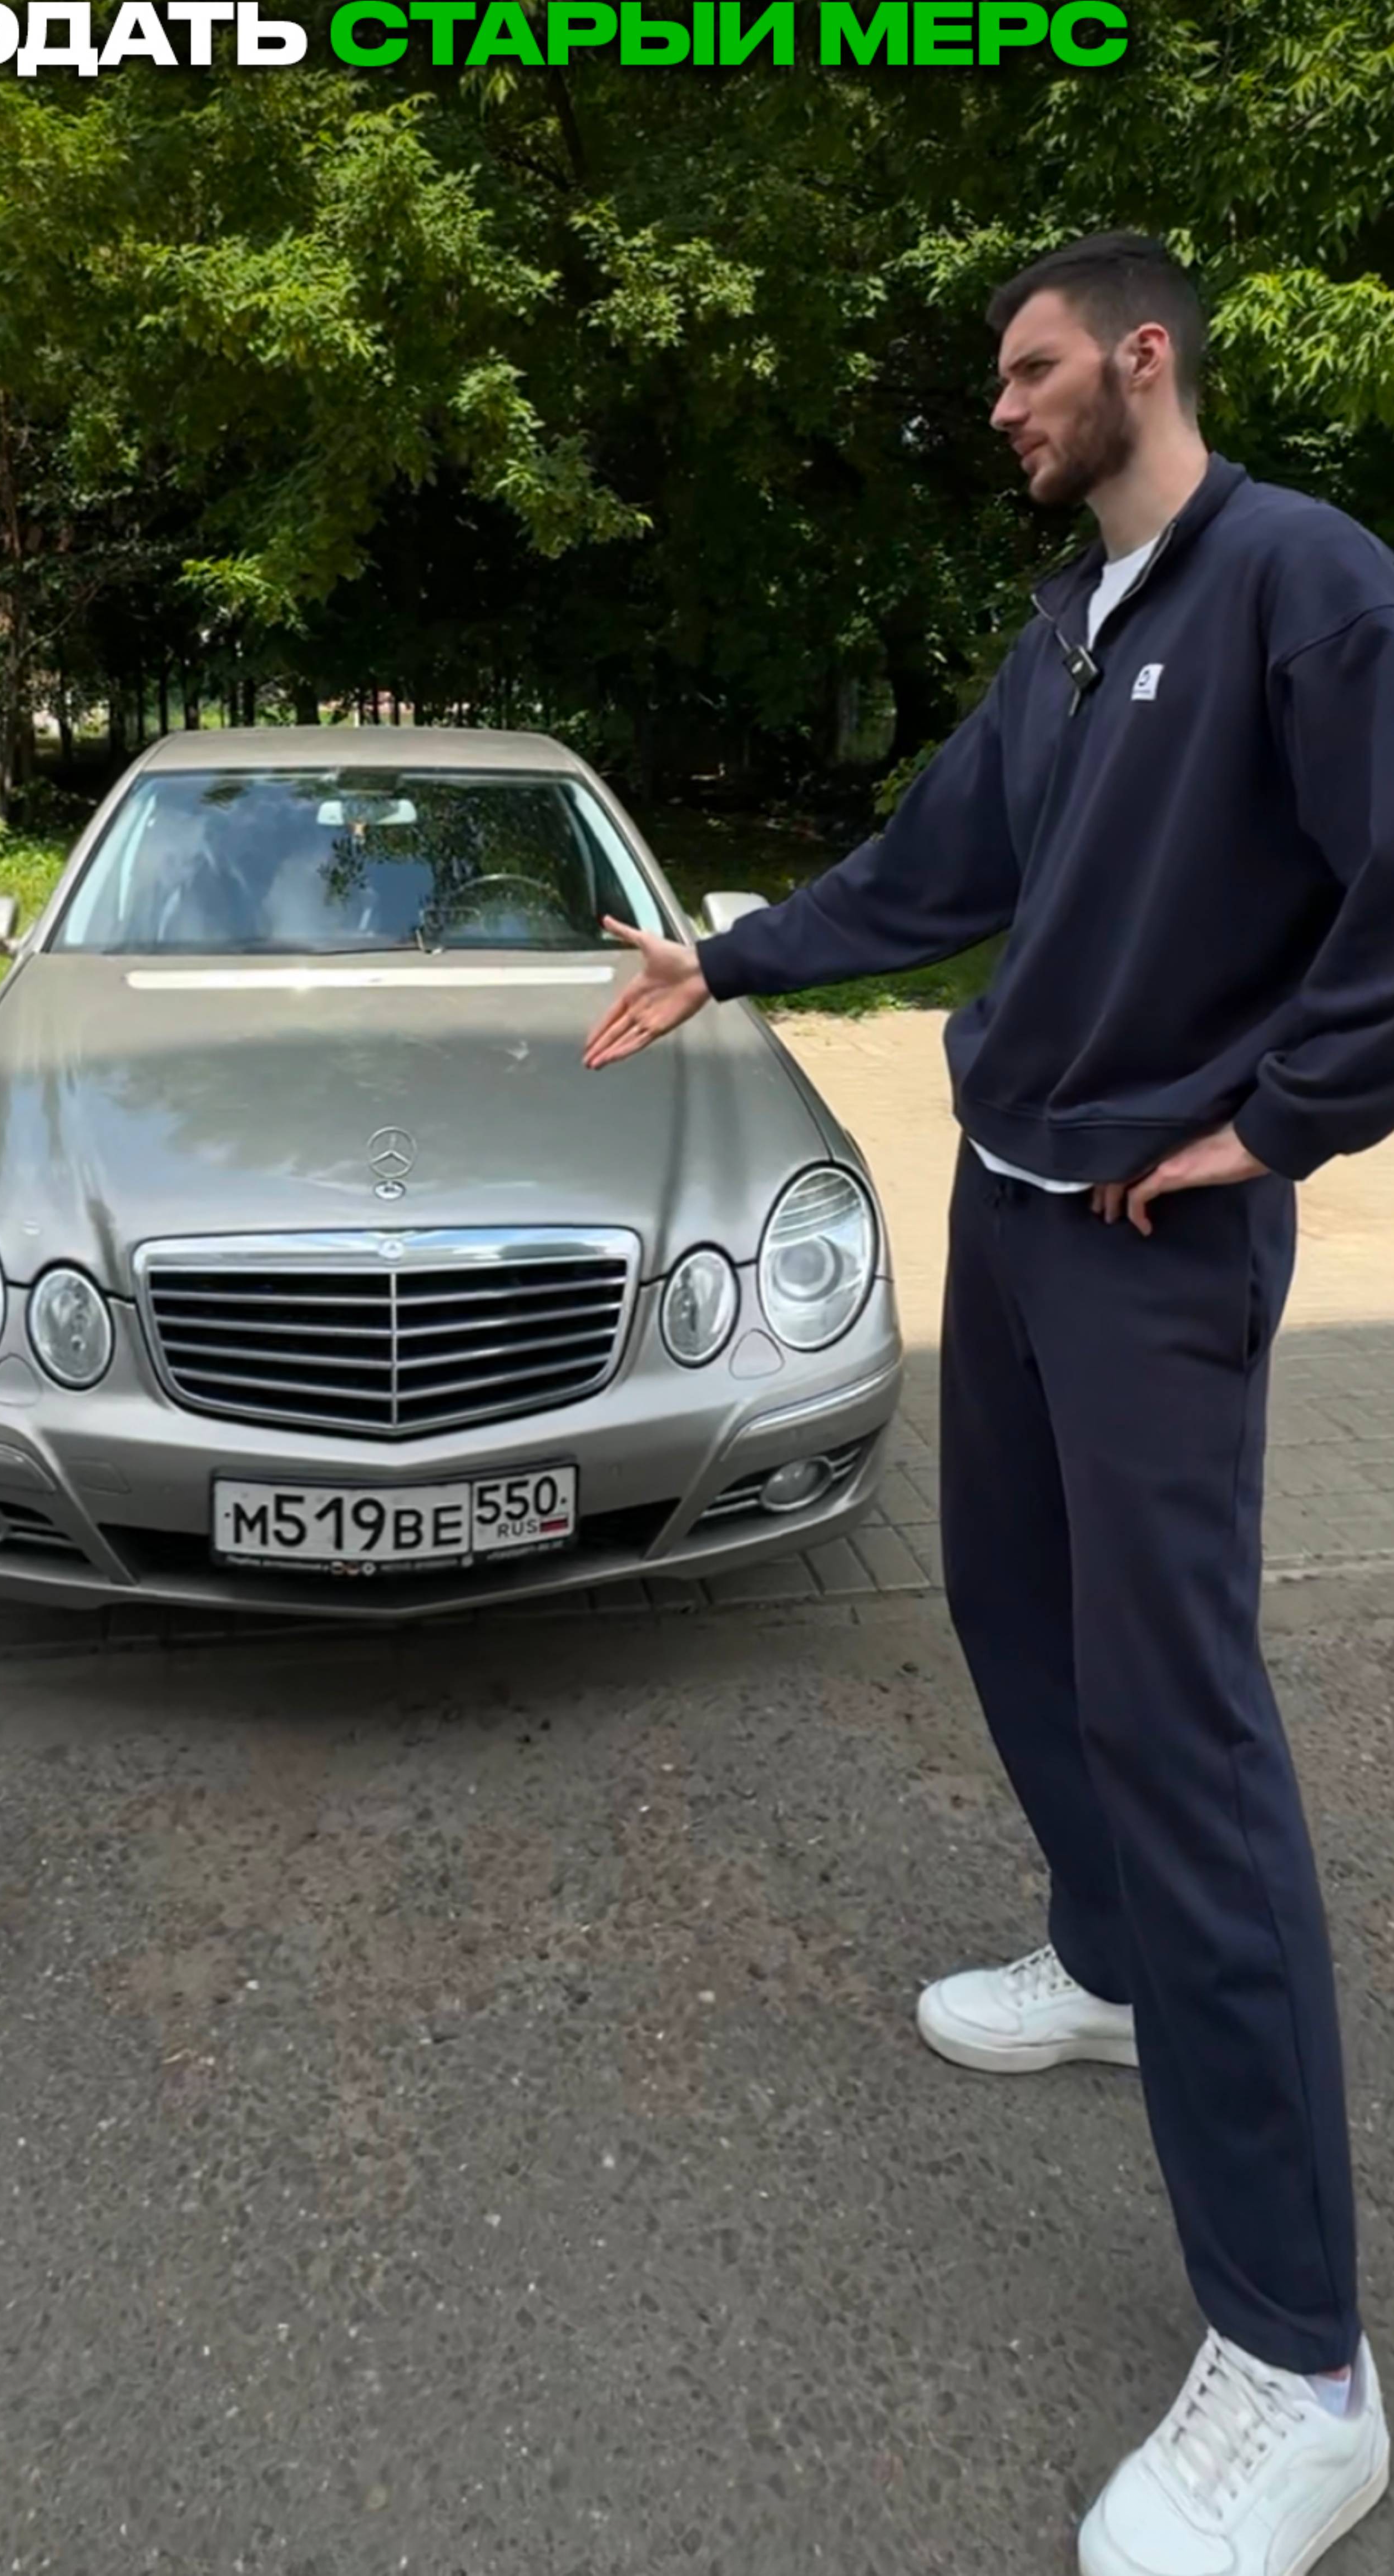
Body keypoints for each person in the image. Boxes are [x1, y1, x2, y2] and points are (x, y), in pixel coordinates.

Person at [583, 235, 1392, 2576]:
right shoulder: (1075, 626)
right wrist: (725, 954)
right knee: (1011, 1621)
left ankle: (1301, 2363)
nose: (1005, 406)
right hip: (1017, 1204)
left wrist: (1286, 1120)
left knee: (1184, 1727)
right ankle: (1115, 1958)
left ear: (1145, 354)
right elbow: (943, 860)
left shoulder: (1305, 582)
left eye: (1032, 368)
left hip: (1156, 1239)